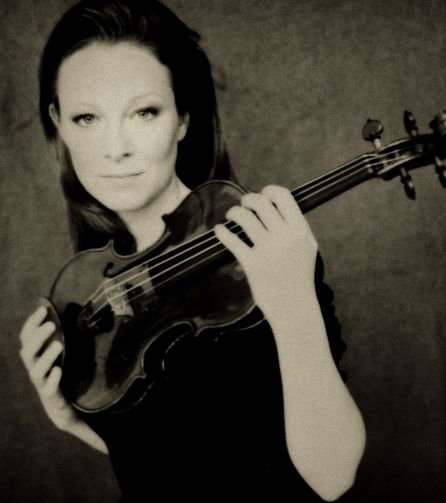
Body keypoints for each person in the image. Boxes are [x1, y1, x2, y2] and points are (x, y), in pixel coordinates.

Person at [19, 0, 366, 501]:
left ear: (183, 117)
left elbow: (333, 477)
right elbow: (168, 464)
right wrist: (68, 418)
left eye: (144, 112)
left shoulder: (263, 248)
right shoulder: (97, 274)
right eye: (86, 117)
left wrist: (293, 303)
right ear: (58, 124)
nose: (115, 148)